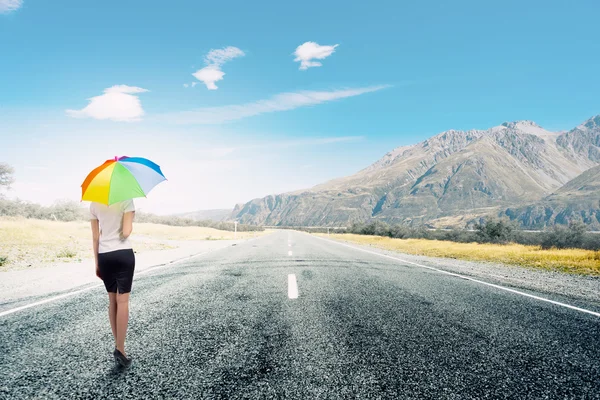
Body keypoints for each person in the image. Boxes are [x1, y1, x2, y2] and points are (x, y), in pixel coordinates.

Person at [90, 199, 136, 368]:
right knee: (122, 301)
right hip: (123, 254)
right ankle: (121, 349)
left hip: (104, 256)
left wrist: (97, 263)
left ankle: (118, 345)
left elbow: (95, 237)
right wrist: (131, 216)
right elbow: (126, 232)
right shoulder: (126, 200)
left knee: (112, 301)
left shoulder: (94, 203)